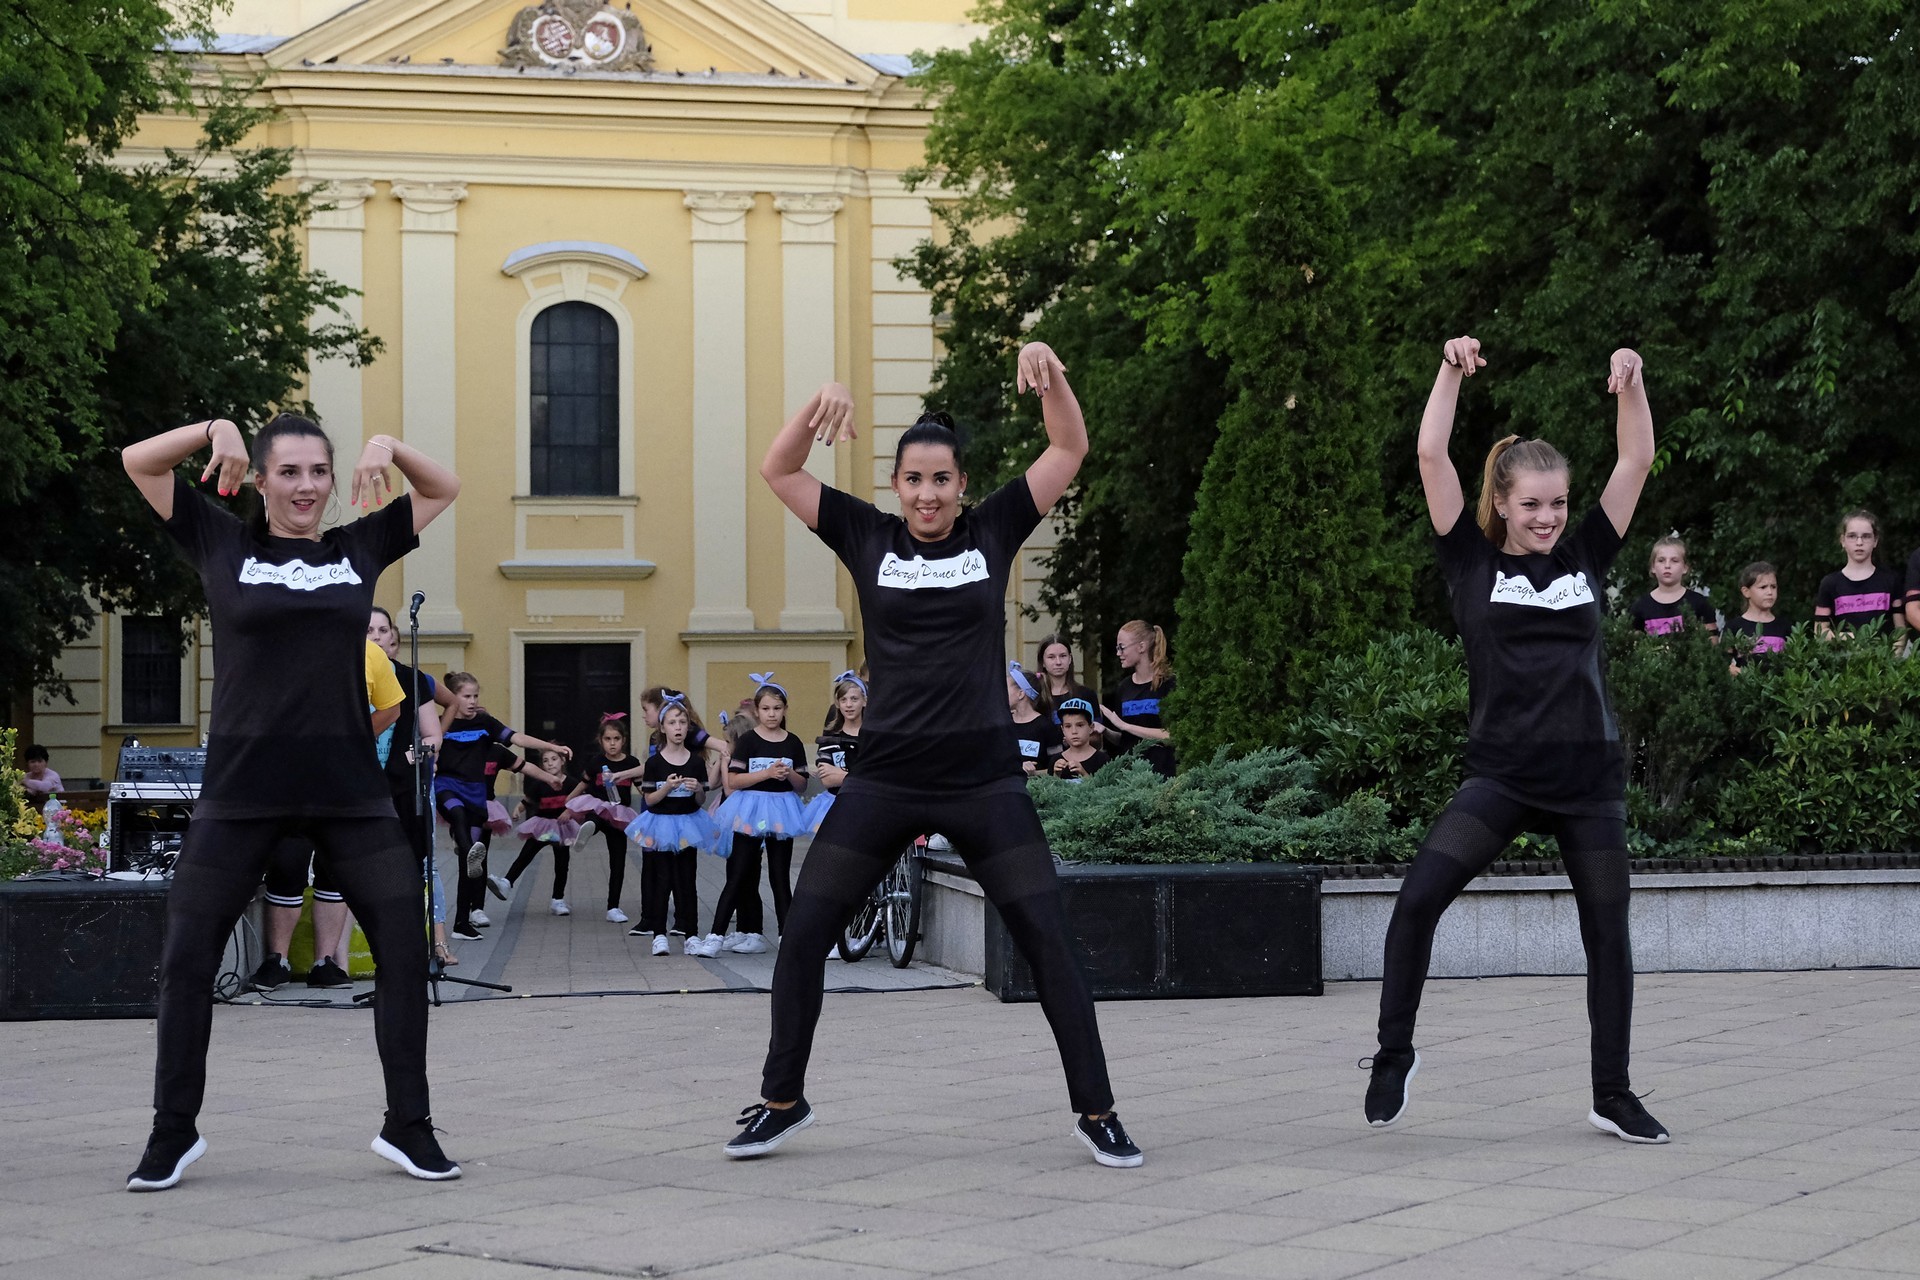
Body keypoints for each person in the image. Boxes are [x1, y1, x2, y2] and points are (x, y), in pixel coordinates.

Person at [743, 346, 1140, 1169]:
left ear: (963, 485)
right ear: (896, 486)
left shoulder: (993, 529)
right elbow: (779, 470)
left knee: (1049, 941)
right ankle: (782, 1100)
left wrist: (1053, 373)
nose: (928, 494)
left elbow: (1068, 448)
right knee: (805, 932)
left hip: (983, 781)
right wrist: (820, 403)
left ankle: (1097, 1111)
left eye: (942, 480)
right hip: (885, 779)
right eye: (914, 480)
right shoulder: (867, 536)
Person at [121, 412, 462, 1188]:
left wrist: (389, 447)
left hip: (349, 791)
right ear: (260, 479)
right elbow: (139, 461)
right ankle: (173, 1133)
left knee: (404, 951)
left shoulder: (356, 549)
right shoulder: (221, 543)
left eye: (318, 472)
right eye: (289, 472)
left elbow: (443, 487)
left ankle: (408, 1126)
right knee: (186, 959)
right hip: (243, 789)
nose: (306, 487)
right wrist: (215, 429)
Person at [1365, 335, 1667, 1145]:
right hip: (1502, 775)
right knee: (1416, 903)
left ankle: (1613, 1093)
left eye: (1558, 504)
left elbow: (1636, 458)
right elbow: (1430, 453)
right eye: (1532, 504)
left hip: (1588, 779)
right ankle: (1393, 1052)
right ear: (1501, 502)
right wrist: (1449, 370)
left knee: (1608, 937)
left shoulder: (1586, 555)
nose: (1547, 518)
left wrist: (1631, 380)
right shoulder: (1469, 562)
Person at [250, 640, 407, 992]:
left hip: (344, 776)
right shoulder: (282, 647)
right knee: (287, 861)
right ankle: (277, 960)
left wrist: (355, 740)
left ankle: (325, 962)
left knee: (334, 866)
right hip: (290, 772)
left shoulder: (368, 652)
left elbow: (392, 708)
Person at [435, 676, 570, 940]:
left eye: (476, 696)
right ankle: (467, 849)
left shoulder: (485, 724)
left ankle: (461, 924)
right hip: (447, 786)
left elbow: (518, 741)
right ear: (452, 698)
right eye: (466, 696)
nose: (473, 701)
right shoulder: (441, 723)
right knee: (458, 814)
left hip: (477, 795)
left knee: (467, 867)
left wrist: (550, 751)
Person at [368, 606, 456, 965]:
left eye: (382, 630)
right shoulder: (344, 675)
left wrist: (416, 754)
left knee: (419, 863)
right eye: (369, 630)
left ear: (393, 636)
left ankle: (435, 942)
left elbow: (433, 734)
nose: (376, 637)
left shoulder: (410, 678)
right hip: (363, 785)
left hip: (406, 785)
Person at [697, 677, 809, 958]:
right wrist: (766, 773)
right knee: (738, 873)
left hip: (782, 812)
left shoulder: (793, 742)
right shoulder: (748, 741)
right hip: (750, 810)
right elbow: (734, 781)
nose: (772, 714)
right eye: (766, 708)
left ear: (785, 710)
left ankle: (787, 936)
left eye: (777, 708)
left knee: (780, 877)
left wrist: (788, 773)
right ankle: (715, 936)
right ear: (757, 711)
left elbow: (802, 784)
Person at [625, 699, 716, 953]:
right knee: (662, 880)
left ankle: (692, 934)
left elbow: (700, 801)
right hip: (662, 824)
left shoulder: (696, 762)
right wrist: (666, 787)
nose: (678, 727)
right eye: (672, 722)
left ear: (688, 727)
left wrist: (697, 789)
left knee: (687, 879)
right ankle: (659, 934)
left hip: (688, 824)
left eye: (682, 722)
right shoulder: (655, 763)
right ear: (662, 728)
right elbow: (650, 800)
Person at [564, 713, 644, 924]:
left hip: (620, 816)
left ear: (623, 740)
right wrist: (568, 804)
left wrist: (655, 799)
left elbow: (642, 789)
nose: (612, 743)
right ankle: (588, 829)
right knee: (596, 817)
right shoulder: (596, 762)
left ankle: (613, 907)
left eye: (616, 739)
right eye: (608, 739)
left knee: (618, 861)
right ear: (600, 741)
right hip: (598, 807)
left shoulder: (632, 763)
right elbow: (582, 784)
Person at [504, 748, 580, 917]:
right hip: (543, 828)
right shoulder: (540, 784)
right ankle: (507, 881)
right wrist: (517, 809)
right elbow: (528, 800)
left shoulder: (571, 783)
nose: (550, 763)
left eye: (554, 759)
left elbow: (580, 801)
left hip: (561, 829)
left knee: (562, 862)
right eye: (546, 761)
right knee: (527, 853)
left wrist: (569, 812)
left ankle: (558, 899)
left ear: (562, 761)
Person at [1101, 621, 1175, 776]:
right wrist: (1104, 731)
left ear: (1141, 647)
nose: (1118, 653)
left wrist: (1126, 726)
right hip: (1131, 775)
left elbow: (1172, 735)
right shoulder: (1123, 687)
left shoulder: (1168, 684)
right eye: (1117, 648)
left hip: (1161, 774)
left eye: (1122, 647)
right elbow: (1123, 739)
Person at [1815, 510, 1906, 638]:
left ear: (1875, 540)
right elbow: (1820, 631)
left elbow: (1900, 630)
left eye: (1866, 536)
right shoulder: (1829, 584)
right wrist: (1849, 639)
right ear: (1842, 540)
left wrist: (1895, 651)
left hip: (1884, 650)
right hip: (1843, 651)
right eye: (1852, 536)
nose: (1859, 542)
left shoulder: (1891, 580)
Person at [805, 671, 865, 835]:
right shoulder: (830, 738)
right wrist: (859, 776)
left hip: (867, 804)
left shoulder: (872, 737)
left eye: (854, 699)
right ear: (837, 704)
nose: (849, 705)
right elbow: (827, 780)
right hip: (836, 803)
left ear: (864, 701)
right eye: (843, 700)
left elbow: (876, 778)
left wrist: (841, 773)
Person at [1628, 536, 1718, 637]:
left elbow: (1711, 643)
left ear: (1685, 568)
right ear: (1653, 567)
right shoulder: (1640, 607)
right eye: (1661, 560)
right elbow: (1632, 643)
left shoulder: (1700, 604)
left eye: (1674, 561)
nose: (1667, 565)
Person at [1724, 562, 1791, 672]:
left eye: (1773, 587)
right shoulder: (1734, 627)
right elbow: (1723, 663)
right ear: (1746, 592)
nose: (1770, 592)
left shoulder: (1784, 626)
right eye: (1763, 587)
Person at [1008, 661, 1063, 778]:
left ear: (1021, 694)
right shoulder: (1005, 723)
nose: (1001, 693)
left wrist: (1034, 773)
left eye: (1005, 689)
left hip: (1037, 787)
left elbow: (1058, 767)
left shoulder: (1047, 727)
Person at [1033, 634, 1098, 726]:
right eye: (1051, 657)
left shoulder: (1086, 695)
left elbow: (1096, 730)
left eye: (1063, 656)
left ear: (1070, 659)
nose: (1058, 662)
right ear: (1042, 661)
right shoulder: (1035, 697)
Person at [1049, 699, 1109, 781]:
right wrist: (1056, 775)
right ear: (1063, 730)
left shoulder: (1102, 760)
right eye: (1068, 726)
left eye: (1080, 725)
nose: (1074, 731)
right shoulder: (1055, 760)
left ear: (1091, 727)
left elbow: (1106, 787)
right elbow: (1047, 787)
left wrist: (1084, 774)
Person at [21, 744, 61, 808]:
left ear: (46, 762)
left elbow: (44, 787)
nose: (36, 765)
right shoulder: (27, 776)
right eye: (32, 762)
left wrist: (25, 781)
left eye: (40, 761)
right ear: (27, 763)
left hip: (58, 808)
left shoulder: (53, 775)